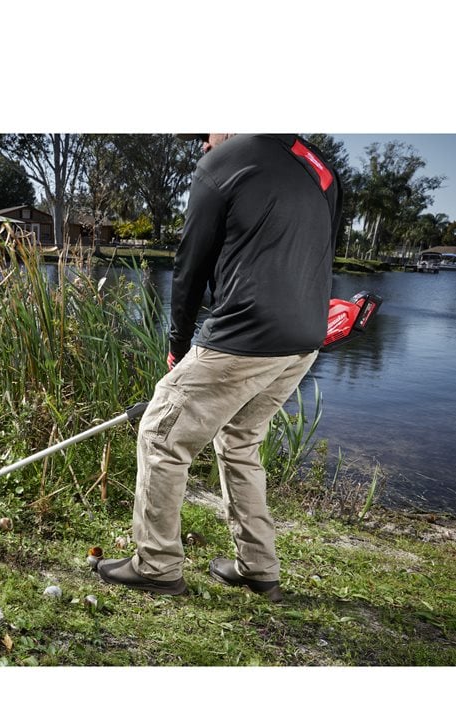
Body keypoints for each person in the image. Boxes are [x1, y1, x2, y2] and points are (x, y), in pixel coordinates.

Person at [97, 133, 344, 602]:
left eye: (204, 132)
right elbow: (318, 256)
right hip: (304, 339)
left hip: (245, 334)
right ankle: (258, 568)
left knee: (160, 435)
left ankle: (156, 565)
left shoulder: (225, 161)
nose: (202, 144)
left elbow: (191, 265)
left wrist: (178, 345)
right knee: (239, 440)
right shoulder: (318, 166)